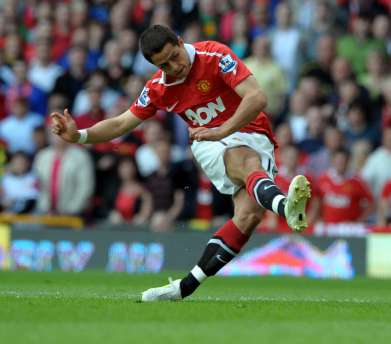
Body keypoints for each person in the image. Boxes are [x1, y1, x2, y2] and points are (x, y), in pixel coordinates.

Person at [50, 25, 311, 302]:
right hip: (206, 141)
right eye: (164, 64)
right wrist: (79, 136)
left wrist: (223, 130)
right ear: (154, 66)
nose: (175, 66)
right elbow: (122, 122)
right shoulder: (159, 88)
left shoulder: (213, 54)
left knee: (248, 217)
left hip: (252, 131)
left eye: (175, 56)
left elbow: (257, 98)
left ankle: (183, 288)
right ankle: (285, 206)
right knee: (244, 161)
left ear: (180, 41)